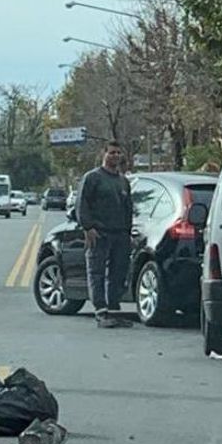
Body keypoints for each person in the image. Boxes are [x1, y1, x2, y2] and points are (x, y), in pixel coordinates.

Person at [76, 140, 134, 329]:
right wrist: (88, 227)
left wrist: (128, 232)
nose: (115, 156)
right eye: (112, 152)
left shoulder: (123, 181)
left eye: (118, 153)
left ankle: (114, 311)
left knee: (118, 274)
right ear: (104, 154)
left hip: (120, 235)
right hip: (99, 233)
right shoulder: (92, 178)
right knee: (96, 272)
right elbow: (82, 204)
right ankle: (101, 311)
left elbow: (128, 209)